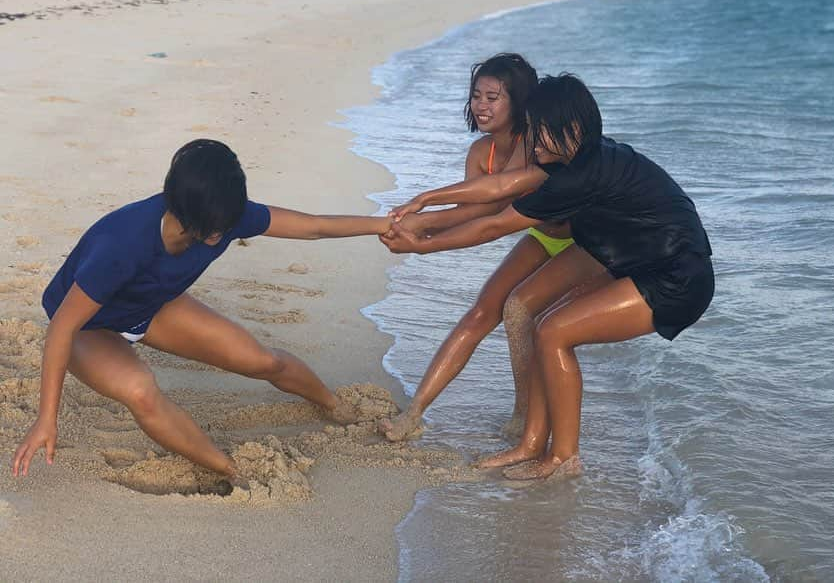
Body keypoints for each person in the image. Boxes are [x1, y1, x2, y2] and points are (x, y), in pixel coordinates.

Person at [382, 74, 714, 480]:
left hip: (676, 278)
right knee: (541, 324)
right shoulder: (581, 158)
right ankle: (530, 444)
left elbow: (493, 226)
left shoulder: (582, 175)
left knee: (555, 331)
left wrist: (419, 246)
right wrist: (425, 199)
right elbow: (500, 185)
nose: (533, 143)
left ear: (572, 129)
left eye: (539, 133)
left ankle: (563, 459)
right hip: (633, 261)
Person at [11, 139, 392, 485]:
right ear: (182, 208)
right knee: (140, 390)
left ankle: (332, 404)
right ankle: (231, 469)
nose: (219, 236)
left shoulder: (223, 212)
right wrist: (47, 418)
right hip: (89, 325)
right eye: (212, 230)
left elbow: (314, 227)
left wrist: (385, 225)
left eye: (226, 226)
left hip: (149, 305)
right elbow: (62, 325)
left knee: (261, 360)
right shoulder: (122, 243)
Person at [377, 53, 575, 442]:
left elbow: (498, 204)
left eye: (493, 97)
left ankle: (527, 417)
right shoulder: (480, 153)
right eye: (476, 96)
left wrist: (423, 223)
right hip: (542, 236)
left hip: (581, 242)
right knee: (481, 312)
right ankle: (414, 412)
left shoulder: (535, 143)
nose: (481, 105)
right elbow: (472, 213)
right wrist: (416, 231)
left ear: (517, 101)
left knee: (521, 314)